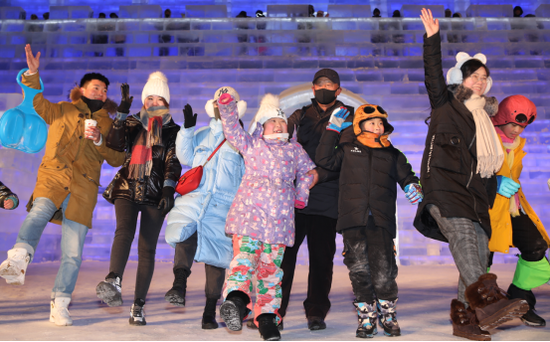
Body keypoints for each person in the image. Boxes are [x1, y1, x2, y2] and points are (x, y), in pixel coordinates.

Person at [415, 9, 529, 340]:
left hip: (475, 196)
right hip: (445, 190)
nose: (478, 81)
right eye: (472, 76)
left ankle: (466, 321)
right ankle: (491, 301)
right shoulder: (445, 105)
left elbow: (478, 165)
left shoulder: (485, 122)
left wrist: (495, 184)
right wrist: (432, 39)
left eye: (483, 77)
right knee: (465, 242)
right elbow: (432, 74)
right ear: (459, 79)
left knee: (476, 254)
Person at [0, 44, 123, 326]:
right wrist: (32, 74)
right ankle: (19, 257)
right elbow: (36, 103)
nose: (100, 92)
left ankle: (60, 303)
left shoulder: (109, 124)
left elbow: (117, 158)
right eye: (95, 87)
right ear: (81, 90)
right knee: (39, 211)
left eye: (104, 89)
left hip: (84, 189)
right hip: (53, 177)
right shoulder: (62, 110)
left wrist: (101, 141)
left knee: (72, 252)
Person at [316, 103, 423, 338]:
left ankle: (388, 314)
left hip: (381, 220)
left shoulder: (392, 154)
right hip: (353, 219)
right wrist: (332, 130)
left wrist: (413, 186)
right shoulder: (347, 149)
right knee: (359, 269)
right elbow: (324, 159)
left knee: (384, 271)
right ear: (359, 125)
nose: (377, 126)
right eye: (372, 122)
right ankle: (366, 317)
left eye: (380, 123)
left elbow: (408, 175)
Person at [216, 93, 316, 341]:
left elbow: (309, 172)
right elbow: (232, 131)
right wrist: (227, 107)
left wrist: (301, 194)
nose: (279, 125)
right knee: (244, 262)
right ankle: (236, 302)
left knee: (271, 273)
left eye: (282, 122)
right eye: (273, 121)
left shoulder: (295, 149)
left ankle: (268, 319)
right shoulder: (252, 144)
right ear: (262, 126)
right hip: (249, 219)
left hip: (279, 224)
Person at [95, 72, 181, 326]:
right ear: (143, 100)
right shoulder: (132, 122)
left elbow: (172, 160)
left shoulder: (173, 129)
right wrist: (120, 114)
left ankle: (138, 305)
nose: (154, 102)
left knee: (147, 249)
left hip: (155, 191)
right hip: (127, 186)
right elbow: (114, 143)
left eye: (159, 98)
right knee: (123, 231)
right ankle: (113, 279)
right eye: (149, 97)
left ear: (166, 102)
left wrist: (168, 187)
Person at [275, 69, 354, 331]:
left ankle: (317, 311)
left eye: (330, 84)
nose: (325, 88)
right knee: (284, 259)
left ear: (338, 90)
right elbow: (282, 145)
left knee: (322, 260)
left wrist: (320, 175)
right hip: (295, 200)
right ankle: (275, 310)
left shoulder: (347, 117)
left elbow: (345, 156)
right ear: (312, 88)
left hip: (327, 198)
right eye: (320, 84)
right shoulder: (299, 115)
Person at [163, 87, 247, 329]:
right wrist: (187, 130)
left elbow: (246, 176)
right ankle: (179, 284)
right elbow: (184, 155)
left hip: (224, 205)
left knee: (217, 258)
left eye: (228, 103)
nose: (223, 108)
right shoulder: (201, 134)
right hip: (196, 199)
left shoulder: (242, 140)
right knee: (185, 232)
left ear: (236, 107)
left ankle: (210, 310)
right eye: (219, 103)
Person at [488, 95, 550, 327]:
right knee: (481, 257)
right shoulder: (485, 139)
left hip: (512, 207)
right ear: (501, 118)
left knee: (535, 246)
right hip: (485, 206)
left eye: (521, 126)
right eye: (513, 124)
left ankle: (520, 298)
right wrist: (495, 182)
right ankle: (481, 308)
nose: (516, 130)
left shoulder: (517, 145)